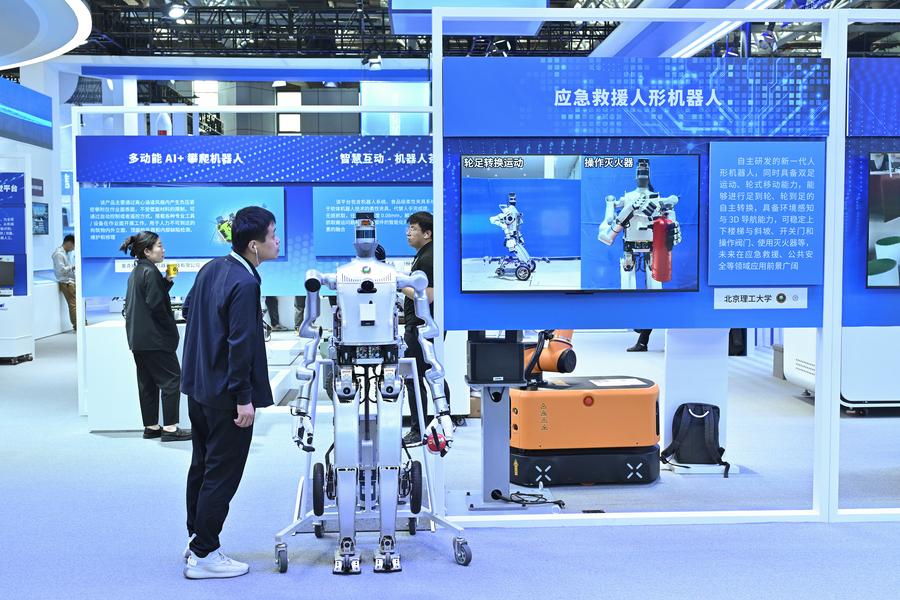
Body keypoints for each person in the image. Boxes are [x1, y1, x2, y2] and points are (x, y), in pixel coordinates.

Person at [180, 206, 278, 579]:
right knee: (222, 473)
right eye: (272, 235)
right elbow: (241, 344)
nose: (277, 241)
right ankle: (205, 553)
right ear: (254, 245)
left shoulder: (211, 269)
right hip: (226, 396)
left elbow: (189, 310)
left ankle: (196, 539)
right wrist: (243, 397)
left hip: (199, 388)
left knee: (202, 466)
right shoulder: (245, 283)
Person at [121, 232, 191, 442]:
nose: (163, 250)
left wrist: (166, 282)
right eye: (159, 246)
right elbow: (156, 305)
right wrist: (171, 331)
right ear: (147, 251)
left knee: (147, 382)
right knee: (171, 380)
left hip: (138, 339)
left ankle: (151, 426)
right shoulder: (150, 272)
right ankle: (170, 428)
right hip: (155, 339)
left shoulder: (137, 271)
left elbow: (150, 298)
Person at [401, 211, 451, 446]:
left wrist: (400, 284)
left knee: (415, 375)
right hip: (422, 324)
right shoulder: (425, 255)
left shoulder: (428, 258)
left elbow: (428, 296)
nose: (408, 233)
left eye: (413, 228)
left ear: (427, 233)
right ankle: (442, 421)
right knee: (431, 372)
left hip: (422, 326)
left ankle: (419, 428)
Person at [52, 234, 77, 330]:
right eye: (73, 245)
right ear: (69, 243)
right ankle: (77, 325)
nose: (73, 248)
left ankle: (79, 323)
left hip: (70, 281)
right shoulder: (59, 254)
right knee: (73, 305)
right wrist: (73, 267)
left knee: (75, 304)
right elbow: (61, 270)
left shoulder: (65, 253)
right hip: (66, 282)